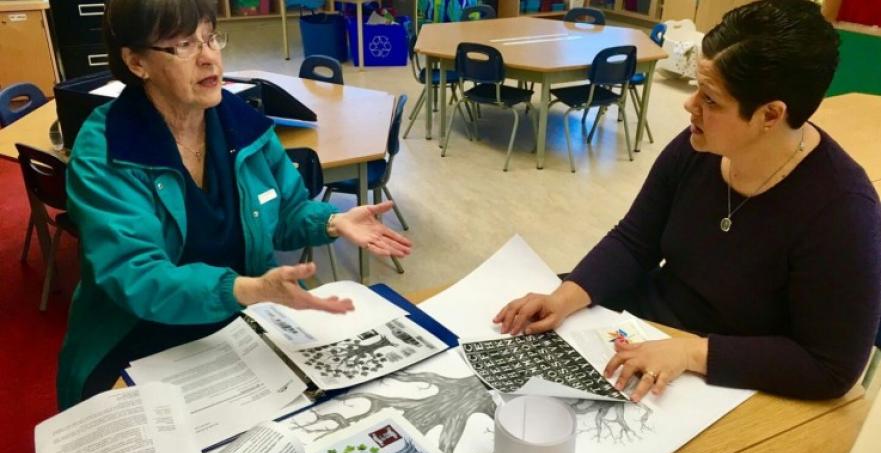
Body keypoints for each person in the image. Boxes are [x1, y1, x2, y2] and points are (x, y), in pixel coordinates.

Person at [494, 0, 881, 403]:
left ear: (770, 115)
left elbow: (831, 366)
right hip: (650, 330)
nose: (690, 104)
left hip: (733, 377)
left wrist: (694, 352)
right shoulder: (699, 147)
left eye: (711, 99)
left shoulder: (842, 212)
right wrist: (566, 296)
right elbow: (634, 241)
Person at [57, 0, 412, 409]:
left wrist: (333, 221)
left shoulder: (242, 123)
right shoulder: (108, 146)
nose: (209, 57)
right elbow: (136, 275)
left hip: (238, 326)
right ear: (137, 63)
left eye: (211, 38)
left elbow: (287, 214)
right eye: (185, 45)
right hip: (138, 340)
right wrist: (246, 289)